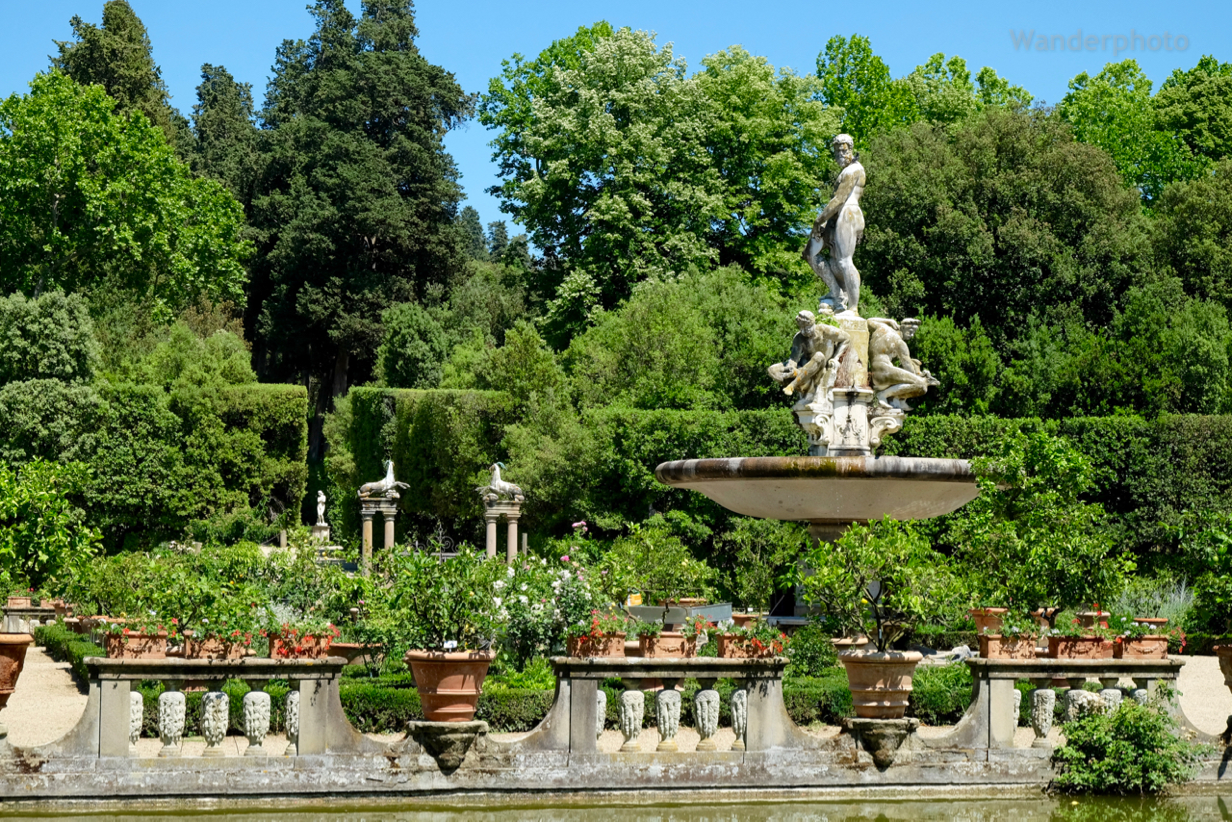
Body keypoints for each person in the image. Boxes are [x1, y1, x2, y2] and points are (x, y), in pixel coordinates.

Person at [802, 134, 866, 315]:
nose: (839, 154)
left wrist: (818, 221)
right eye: (837, 151)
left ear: (850, 149)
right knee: (810, 254)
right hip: (836, 218)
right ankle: (837, 294)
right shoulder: (846, 170)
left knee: (845, 261)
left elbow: (839, 199)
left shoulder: (853, 170)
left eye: (843, 150)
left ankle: (853, 308)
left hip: (847, 214)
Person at [768, 310, 851, 400]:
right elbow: (793, 359)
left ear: (813, 323)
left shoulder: (824, 330)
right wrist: (790, 368)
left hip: (819, 369)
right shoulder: (799, 338)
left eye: (807, 328)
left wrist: (835, 358)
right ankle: (802, 384)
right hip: (803, 369)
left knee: (819, 356)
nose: (805, 331)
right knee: (772, 370)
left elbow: (846, 338)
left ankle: (793, 385)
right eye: (802, 328)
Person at [867, 317, 938, 411]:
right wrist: (921, 375)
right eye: (910, 332)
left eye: (913, 333)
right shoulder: (900, 343)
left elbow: (869, 321)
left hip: (875, 371)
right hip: (883, 373)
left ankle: (895, 399)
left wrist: (889, 321)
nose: (912, 335)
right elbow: (909, 369)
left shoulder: (883, 328)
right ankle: (883, 395)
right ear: (902, 328)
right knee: (921, 385)